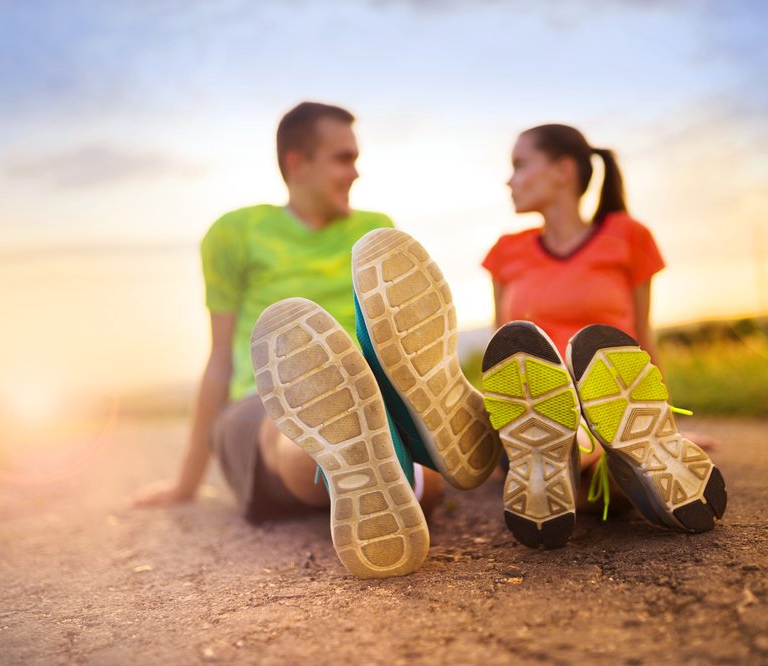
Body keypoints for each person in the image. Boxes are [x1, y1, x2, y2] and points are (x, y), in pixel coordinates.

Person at [133, 102, 499, 578]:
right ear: (296, 163)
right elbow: (221, 357)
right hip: (262, 399)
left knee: (395, 458)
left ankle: (384, 446)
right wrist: (186, 481)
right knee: (301, 418)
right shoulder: (235, 233)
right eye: (343, 158)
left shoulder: (374, 229)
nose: (356, 172)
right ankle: (384, 449)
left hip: (374, 388)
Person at [480, 124, 727, 548]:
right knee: (569, 456)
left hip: (611, 399)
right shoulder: (507, 251)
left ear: (563, 169)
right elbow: (503, 351)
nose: (510, 179)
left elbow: (642, 341)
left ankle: (609, 450)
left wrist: (660, 418)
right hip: (534, 406)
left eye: (520, 165)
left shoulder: (628, 236)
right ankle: (617, 461)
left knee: (579, 472)